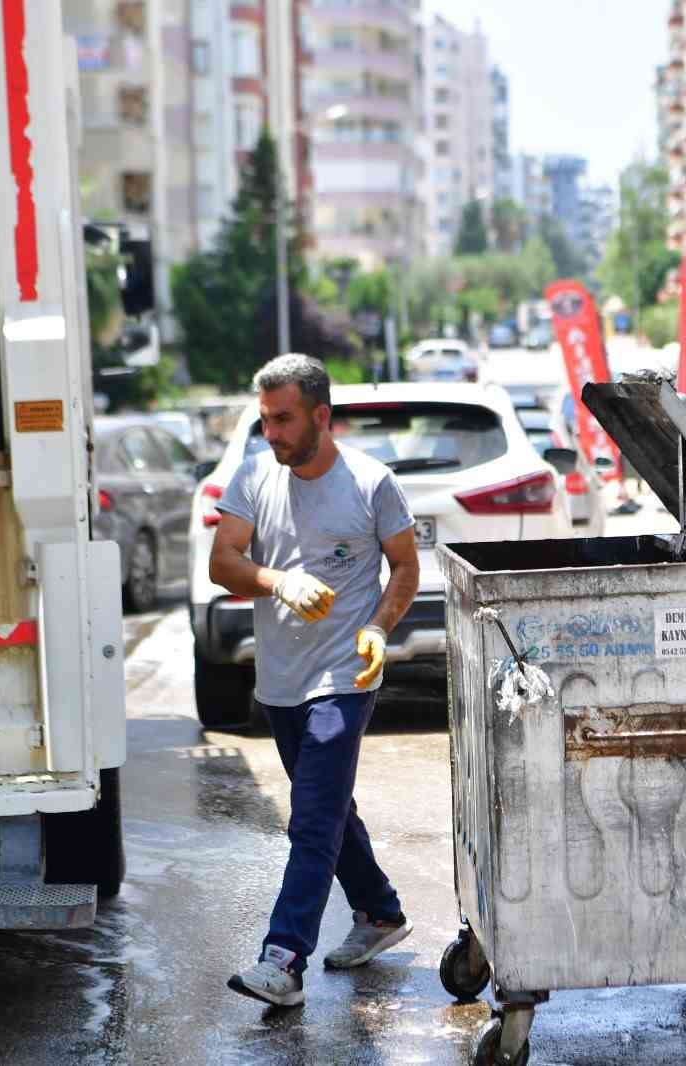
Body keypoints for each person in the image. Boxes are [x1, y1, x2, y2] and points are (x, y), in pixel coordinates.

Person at [209, 354, 420, 1008]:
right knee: (328, 808)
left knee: (311, 817)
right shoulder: (253, 477)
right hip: (281, 681)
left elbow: (407, 568)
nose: (269, 432)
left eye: (283, 419)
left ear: (321, 416)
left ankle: (284, 958)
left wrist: (380, 628)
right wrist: (277, 580)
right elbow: (223, 562)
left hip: (344, 674)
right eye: (265, 419)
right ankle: (380, 913)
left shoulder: (370, 483)